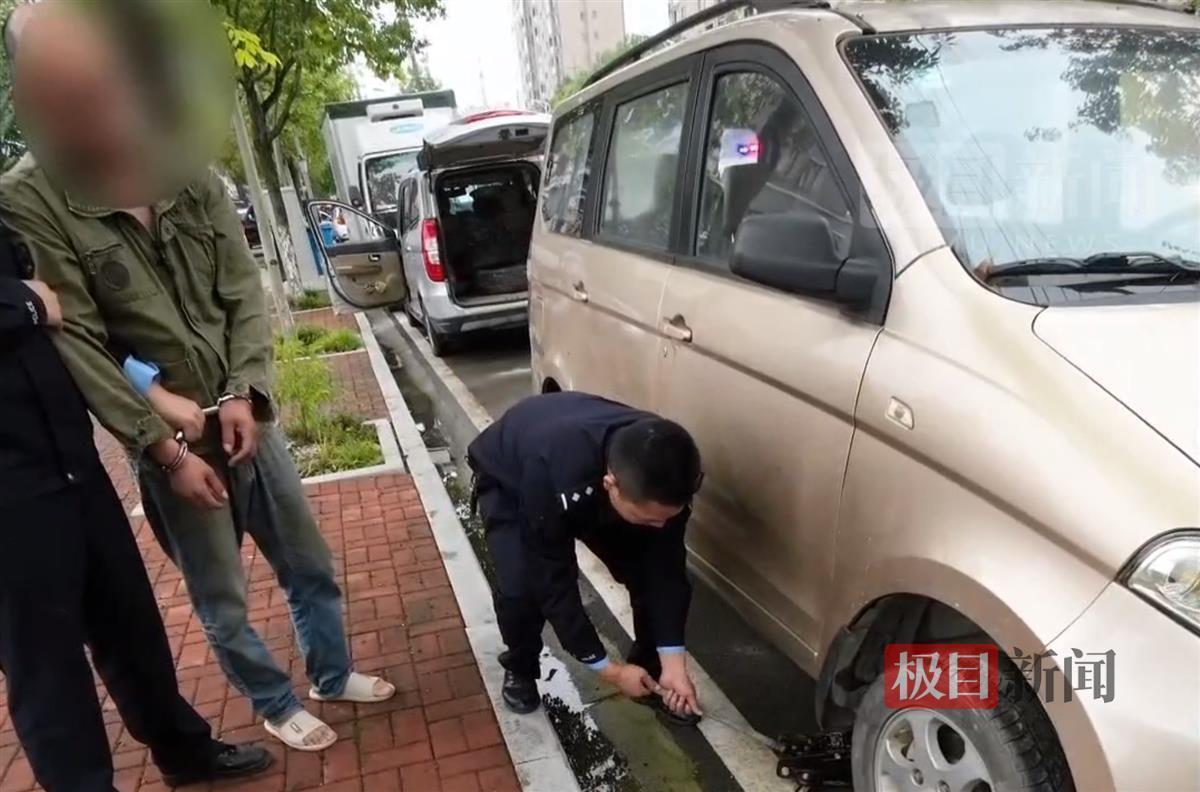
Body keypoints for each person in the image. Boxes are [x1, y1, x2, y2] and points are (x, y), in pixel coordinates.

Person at [0, 4, 393, 753]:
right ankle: (273, 700)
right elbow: (74, 334)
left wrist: (246, 389)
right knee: (221, 594)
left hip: (244, 414)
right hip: (171, 436)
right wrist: (163, 444)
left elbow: (242, 288)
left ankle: (332, 672)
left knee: (307, 559)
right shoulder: (30, 199)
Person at [0, 222, 273, 788]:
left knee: (130, 625)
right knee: (45, 662)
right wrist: (27, 305)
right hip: (9, 496)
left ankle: (183, 751)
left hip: (72, 464)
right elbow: (41, 301)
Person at [467, 391, 705, 723]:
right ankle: (521, 666)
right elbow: (554, 581)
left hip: (583, 465)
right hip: (512, 478)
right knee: (521, 590)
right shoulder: (550, 474)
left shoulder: (664, 469)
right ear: (611, 486)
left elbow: (665, 573)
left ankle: (652, 671)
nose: (661, 526)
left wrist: (674, 664)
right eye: (651, 519)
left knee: (646, 573)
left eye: (668, 517)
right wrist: (608, 669)